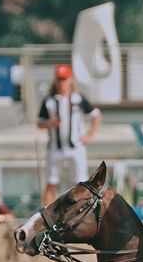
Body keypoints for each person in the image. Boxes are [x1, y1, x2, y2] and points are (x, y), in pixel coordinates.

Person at [37, 63, 101, 206]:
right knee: (51, 182)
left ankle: (82, 210)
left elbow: (96, 115)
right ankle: (47, 214)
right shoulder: (49, 101)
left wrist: (89, 135)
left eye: (64, 79)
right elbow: (39, 123)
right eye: (59, 79)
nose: (61, 83)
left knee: (81, 182)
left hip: (76, 147)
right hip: (55, 148)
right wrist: (50, 123)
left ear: (70, 80)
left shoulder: (78, 98)